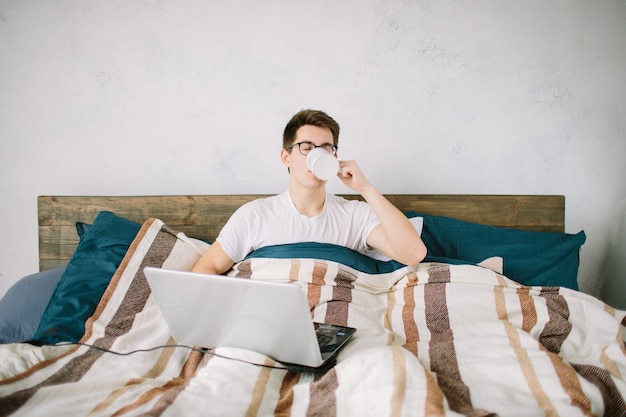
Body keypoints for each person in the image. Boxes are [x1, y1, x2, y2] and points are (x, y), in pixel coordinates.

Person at [192, 109, 427, 275]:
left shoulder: (355, 214)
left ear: (334, 158)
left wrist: (365, 188)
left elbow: (413, 254)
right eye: (306, 148)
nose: (318, 155)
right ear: (286, 157)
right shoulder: (255, 215)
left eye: (326, 149)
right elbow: (207, 267)